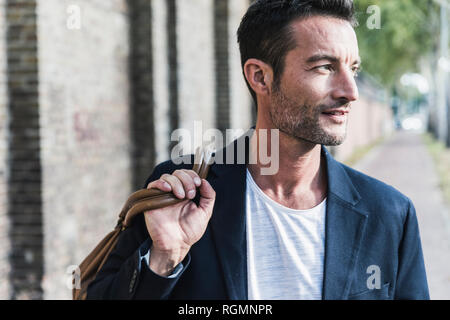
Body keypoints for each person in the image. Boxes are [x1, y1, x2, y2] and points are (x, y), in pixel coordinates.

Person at [87, 0, 429, 300]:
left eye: (353, 69)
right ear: (260, 77)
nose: (350, 91)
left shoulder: (389, 214)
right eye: (325, 67)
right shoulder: (181, 191)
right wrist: (165, 258)